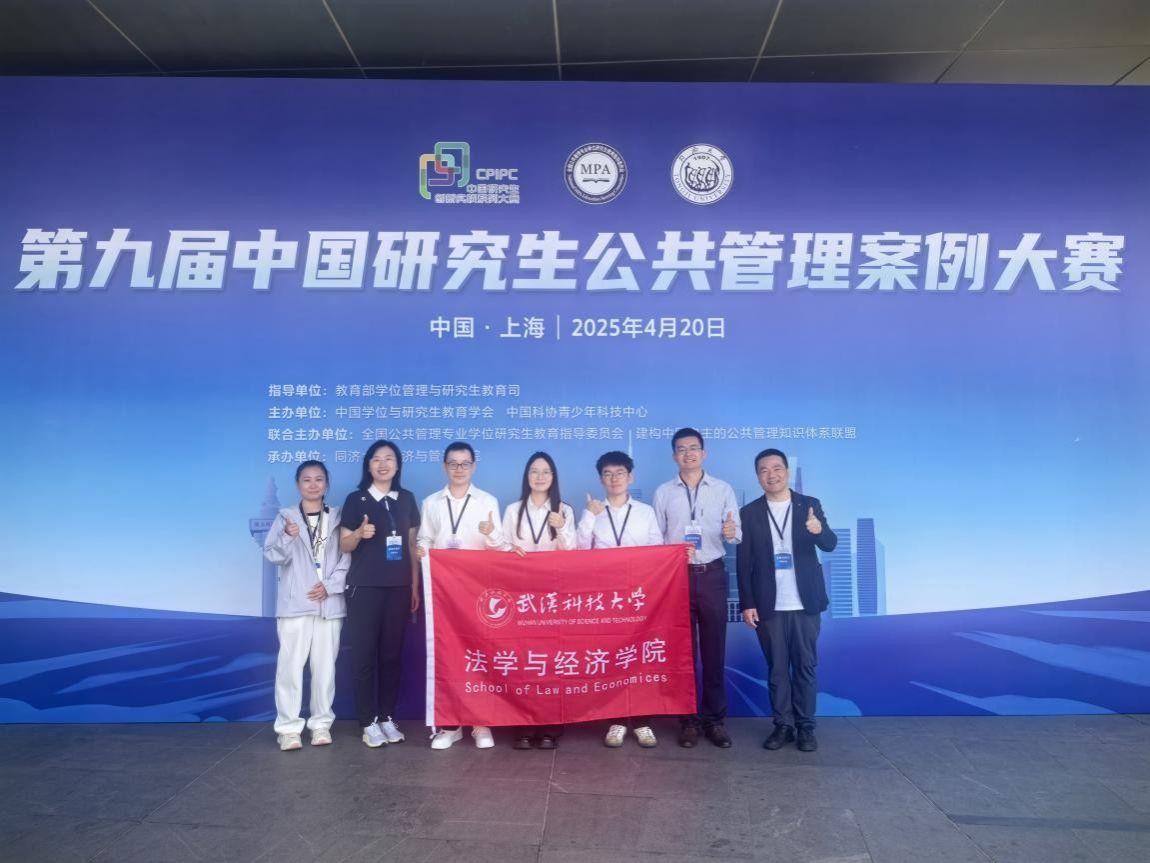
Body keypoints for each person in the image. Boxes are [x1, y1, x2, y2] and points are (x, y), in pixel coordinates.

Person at [737, 448, 837, 753]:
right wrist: (747, 603)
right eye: (764, 470)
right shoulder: (749, 513)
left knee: (805, 666)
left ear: (787, 472)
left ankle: (806, 727)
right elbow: (744, 563)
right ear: (758, 476)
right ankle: (783, 725)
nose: (772, 475)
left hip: (806, 603)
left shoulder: (809, 505)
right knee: (777, 669)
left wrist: (818, 530)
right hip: (769, 605)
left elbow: (830, 544)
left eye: (777, 468)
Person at [652, 428, 741, 749]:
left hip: (712, 574)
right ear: (674, 456)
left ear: (703, 453)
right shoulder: (664, 492)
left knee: (714, 651)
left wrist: (730, 531)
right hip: (677, 578)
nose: (688, 454)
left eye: (693, 448)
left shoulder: (723, 489)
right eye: (681, 449)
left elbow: (736, 534)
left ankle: (714, 720)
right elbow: (657, 538)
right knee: (683, 654)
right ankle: (688, 720)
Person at [417, 440, 506, 749]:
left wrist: (490, 533)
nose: (459, 469)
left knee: (480, 654)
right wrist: (422, 550)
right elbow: (425, 538)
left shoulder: (487, 501)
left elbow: (499, 547)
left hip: (478, 591)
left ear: (473, 466)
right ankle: (450, 725)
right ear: (444, 466)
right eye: (453, 463)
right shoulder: (431, 502)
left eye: (465, 463)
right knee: (448, 655)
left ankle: (481, 724)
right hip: (444, 592)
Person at [577, 450, 664, 748]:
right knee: (611, 657)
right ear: (600, 479)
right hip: (606, 597)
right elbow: (579, 550)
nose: (614, 479)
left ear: (631, 477)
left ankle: (642, 722)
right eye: (608, 474)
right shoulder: (593, 510)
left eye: (620, 473)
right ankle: (615, 721)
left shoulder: (645, 512)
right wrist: (589, 515)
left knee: (640, 658)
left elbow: (657, 550)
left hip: (639, 596)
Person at [339, 440, 421, 748]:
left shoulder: (407, 499)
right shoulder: (356, 499)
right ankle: (368, 722)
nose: (383, 464)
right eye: (376, 459)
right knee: (364, 655)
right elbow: (344, 545)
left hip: (398, 588)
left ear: (398, 465)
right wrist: (359, 534)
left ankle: (386, 717)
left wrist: (414, 586)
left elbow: (411, 546)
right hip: (364, 588)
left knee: (391, 656)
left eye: (389, 459)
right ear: (368, 465)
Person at [263, 460, 349, 751]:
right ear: (298, 484)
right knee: (290, 668)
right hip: (295, 605)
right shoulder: (286, 517)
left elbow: (348, 558)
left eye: (319, 479)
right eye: (307, 479)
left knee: (325, 669)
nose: (313, 485)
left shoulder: (338, 517)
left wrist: (331, 586)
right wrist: (287, 537)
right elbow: (273, 556)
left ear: (327, 483)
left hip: (329, 604)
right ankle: (288, 728)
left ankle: (321, 724)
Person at [502, 451, 576, 750]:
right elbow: (503, 548)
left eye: (546, 471)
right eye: (534, 471)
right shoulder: (513, 510)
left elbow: (572, 552)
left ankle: (551, 727)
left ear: (553, 477)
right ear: (527, 476)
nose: (540, 476)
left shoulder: (564, 509)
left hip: (553, 597)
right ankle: (523, 725)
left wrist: (561, 526)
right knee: (523, 660)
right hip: (521, 596)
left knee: (552, 660)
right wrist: (509, 550)